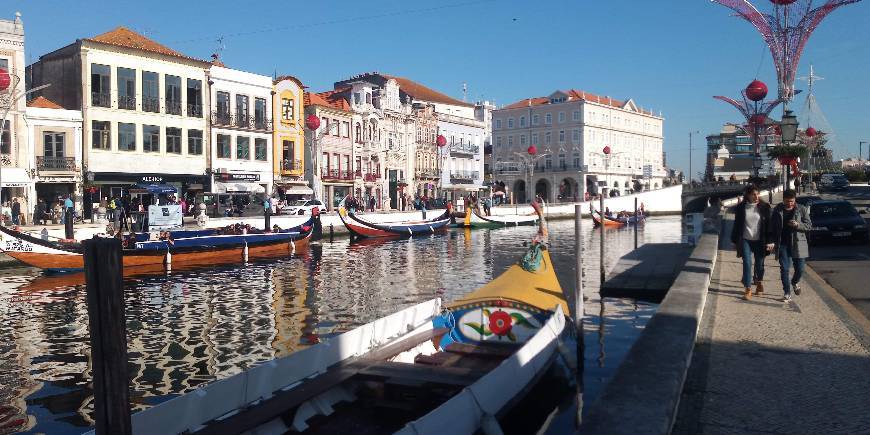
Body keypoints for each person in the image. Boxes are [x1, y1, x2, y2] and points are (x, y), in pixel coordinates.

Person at [730, 185, 772, 300]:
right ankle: (748, 289)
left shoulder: (765, 207)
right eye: (753, 194)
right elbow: (737, 225)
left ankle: (759, 283)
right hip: (745, 239)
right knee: (747, 263)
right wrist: (734, 240)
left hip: (760, 240)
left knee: (759, 265)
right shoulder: (741, 208)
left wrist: (770, 241)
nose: (756, 196)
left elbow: (769, 226)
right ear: (747, 195)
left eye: (758, 194)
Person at [770, 189, 811, 302]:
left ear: (795, 200)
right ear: (783, 200)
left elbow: (809, 225)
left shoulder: (801, 209)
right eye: (787, 201)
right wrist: (771, 241)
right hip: (782, 244)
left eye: (792, 201)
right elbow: (772, 227)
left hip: (798, 243)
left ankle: (794, 282)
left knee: (800, 269)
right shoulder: (777, 210)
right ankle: (787, 292)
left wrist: (798, 225)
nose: (789, 203)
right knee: (784, 269)